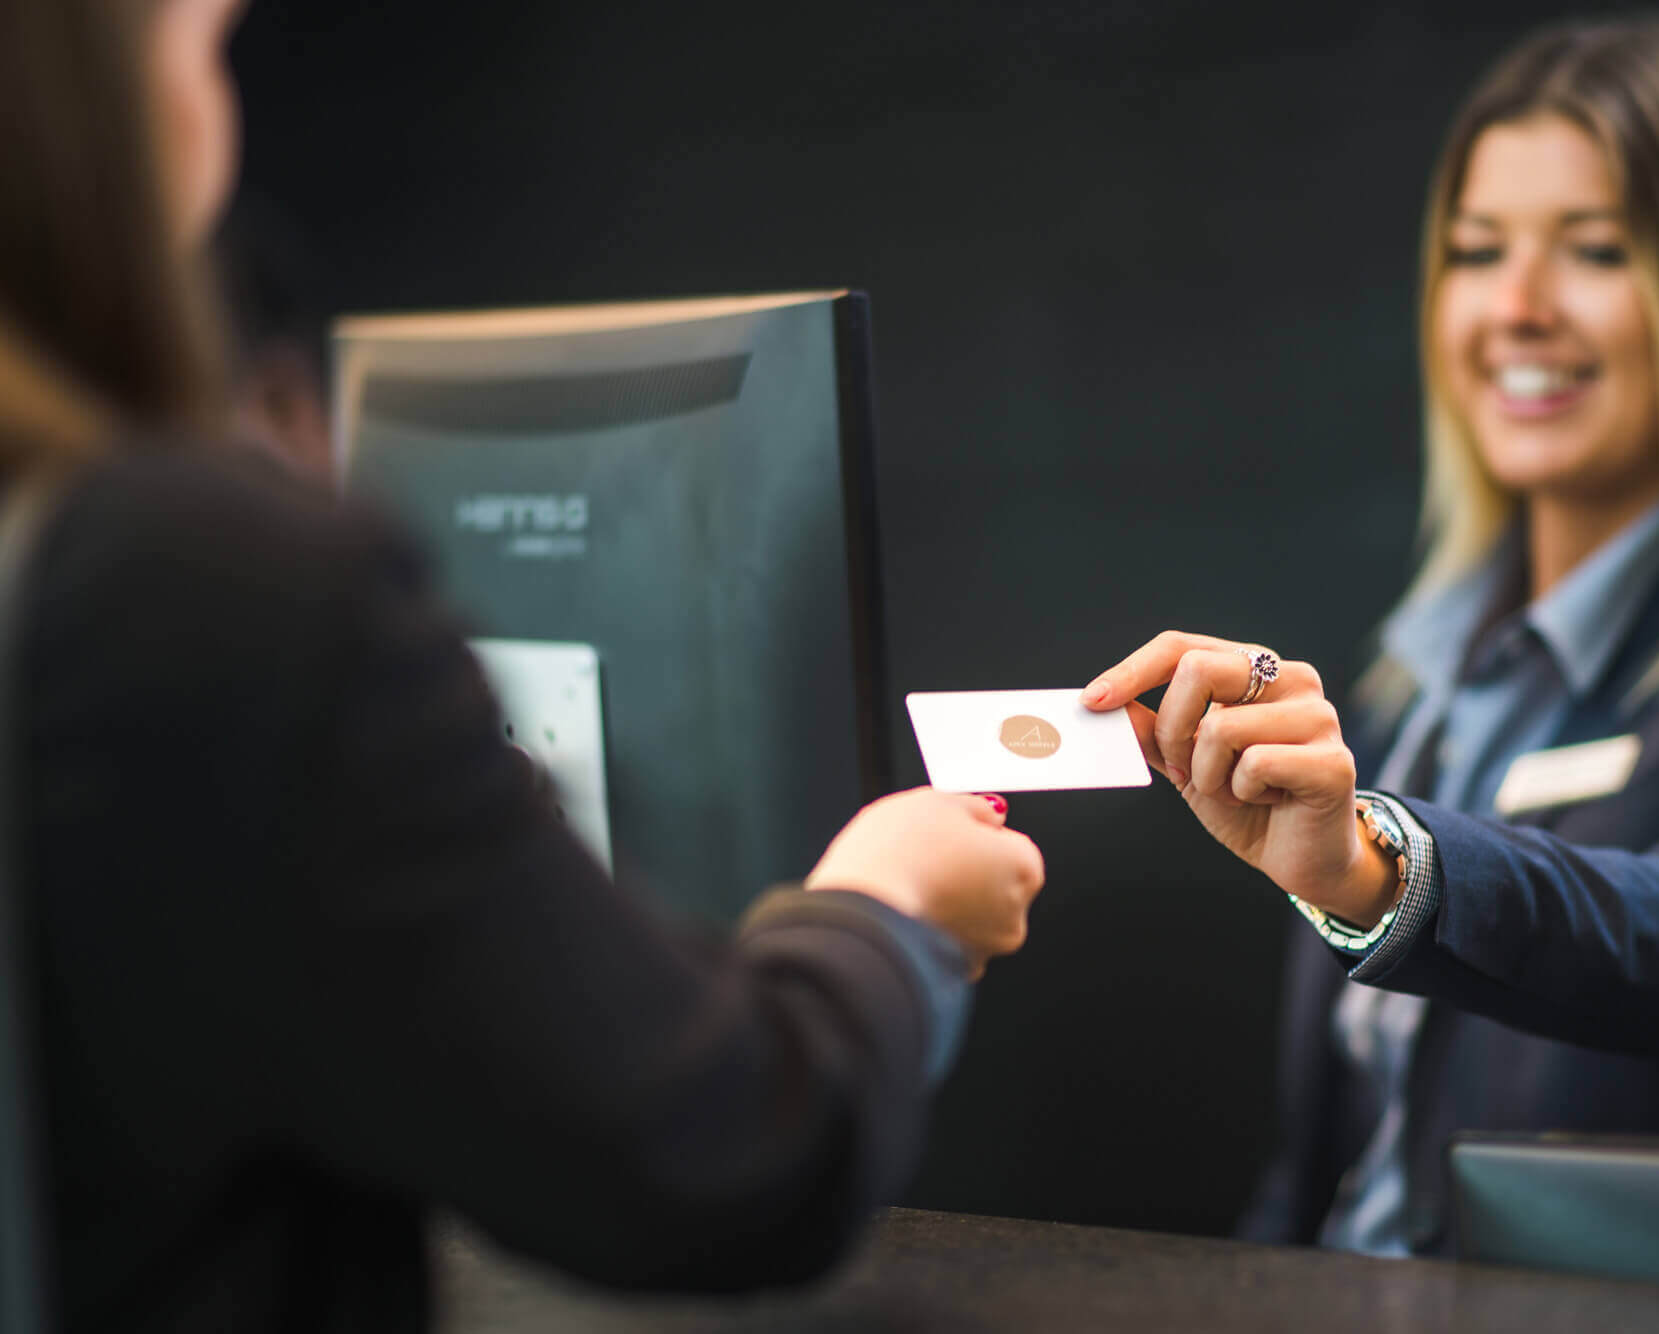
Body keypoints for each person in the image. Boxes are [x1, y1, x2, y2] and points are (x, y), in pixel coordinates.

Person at [0, 0, 1045, 1329]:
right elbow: (733, 1153)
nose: (225, 101)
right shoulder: (203, 584)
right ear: (93, 102)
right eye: (202, 45)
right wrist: (889, 910)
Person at [1084, 15, 1659, 1257]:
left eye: (1597, 250)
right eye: (1473, 250)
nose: (1514, 308)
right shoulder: (1416, 679)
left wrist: (1379, 866)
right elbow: (1330, 1171)